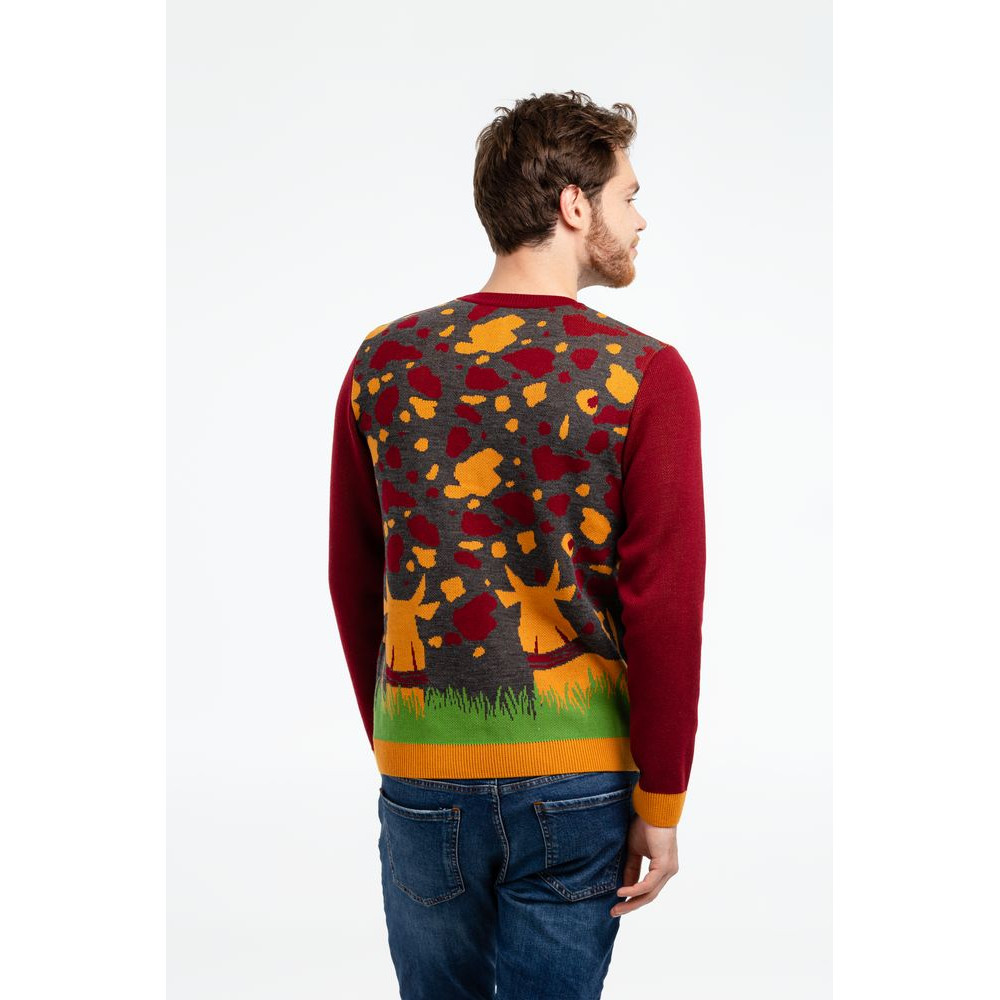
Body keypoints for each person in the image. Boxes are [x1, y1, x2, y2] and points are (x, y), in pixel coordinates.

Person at [328, 89, 706, 999]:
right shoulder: (644, 374)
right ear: (575, 205)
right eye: (628, 196)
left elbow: (354, 575)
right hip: (576, 783)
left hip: (422, 769)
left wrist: (404, 743)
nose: (640, 219)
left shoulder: (385, 360)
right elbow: (665, 605)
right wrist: (661, 799)